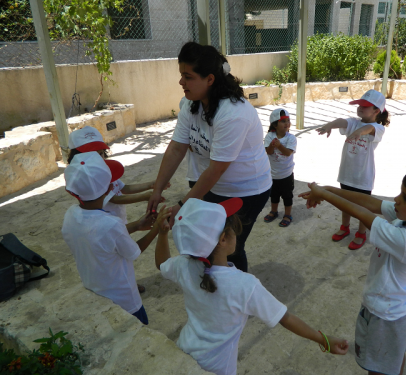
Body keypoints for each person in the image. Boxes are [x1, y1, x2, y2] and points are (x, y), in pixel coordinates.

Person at [299, 165, 406, 375]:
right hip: (402, 306)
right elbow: (371, 203)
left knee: (377, 367)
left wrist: (323, 194)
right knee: (394, 358)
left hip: (386, 315)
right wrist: (330, 190)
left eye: (405, 198)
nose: (397, 199)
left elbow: (364, 214)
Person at [155, 198, 349, 375]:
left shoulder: (184, 265)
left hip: (185, 348)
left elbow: (162, 264)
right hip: (217, 367)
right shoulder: (244, 285)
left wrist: (162, 234)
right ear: (223, 239)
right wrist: (323, 340)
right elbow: (285, 318)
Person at [147, 41, 272, 272]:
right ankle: (212, 290)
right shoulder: (191, 104)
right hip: (209, 184)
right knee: (206, 242)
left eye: (188, 76)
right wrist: (158, 188)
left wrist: (183, 204)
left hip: (245, 191)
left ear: (210, 79)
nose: (181, 82)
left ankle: (236, 296)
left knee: (229, 247)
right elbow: (176, 148)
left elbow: (217, 169)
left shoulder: (233, 113)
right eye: (181, 75)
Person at [61, 152, 169, 324]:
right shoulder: (111, 223)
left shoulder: (70, 215)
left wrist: (137, 225)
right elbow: (134, 251)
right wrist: (156, 230)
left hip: (95, 290)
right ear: (110, 188)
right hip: (125, 299)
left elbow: (99, 237)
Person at [316, 89, 390, 250]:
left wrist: (360, 131)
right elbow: (342, 121)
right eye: (359, 105)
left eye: (365, 106)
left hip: (363, 177)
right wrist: (330, 125)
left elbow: (369, 130)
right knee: (345, 203)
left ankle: (361, 233)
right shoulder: (354, 122)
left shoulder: (378, 128)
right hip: (346, 174)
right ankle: (345, 227)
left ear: (377, 110)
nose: (360, 108)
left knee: (363, 207)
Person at [68, 126, 165, 225]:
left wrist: (151, 185)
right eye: (92, 155)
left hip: (118, 218)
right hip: (106, 223)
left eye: (100, 153)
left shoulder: (106, 170)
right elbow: (114, 199)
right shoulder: (90, 178)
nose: (99, 159)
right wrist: (144, 196)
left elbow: (123, 188)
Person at [263, 108, 297, 227]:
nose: (287, 123)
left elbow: (288, 153)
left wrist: (279, 145)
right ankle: (274, 211)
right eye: (283, 121)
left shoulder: (291, 138)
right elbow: (269, 152)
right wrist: (273, 145)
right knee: (274, 195)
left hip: (286, 174)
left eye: (288, 120)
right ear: (275, 124)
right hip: (273, 174)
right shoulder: (270, 136)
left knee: (287, 195)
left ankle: (287, 214)